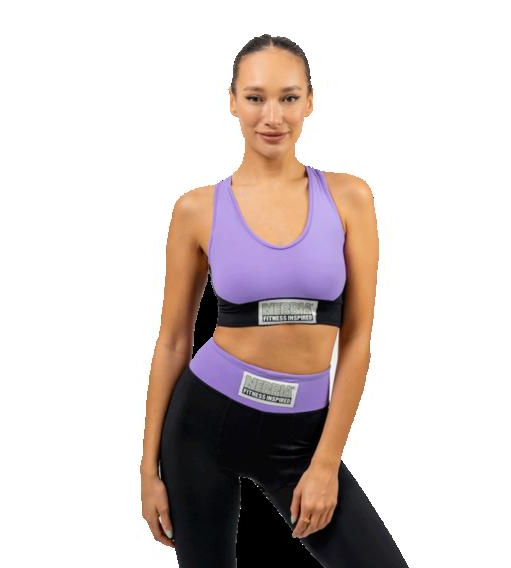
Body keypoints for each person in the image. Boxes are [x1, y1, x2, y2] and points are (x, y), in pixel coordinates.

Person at [140, 33, 410, 567]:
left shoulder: (349, 198)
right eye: (255, 97)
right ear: (232, 101)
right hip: (203, 424)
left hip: (303, 435)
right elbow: (172, 342)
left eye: (288, 97)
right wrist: (148, 469)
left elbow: (357, 338)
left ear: (310, 100)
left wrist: (326, 462)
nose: (272, 116)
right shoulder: (196, 210)